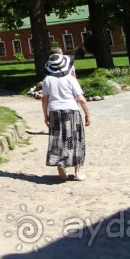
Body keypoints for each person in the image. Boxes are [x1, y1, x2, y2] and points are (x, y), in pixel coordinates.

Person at [41, 51, 91, 181]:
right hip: (71, 111)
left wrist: (45, 115)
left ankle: (60, 163)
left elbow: (44, 99)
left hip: (55, 111)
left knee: (58, 140)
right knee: (75, 139)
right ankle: (77, 172)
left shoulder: (47, 80)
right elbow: (81, 98)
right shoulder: (71, 79)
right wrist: (87, 114)